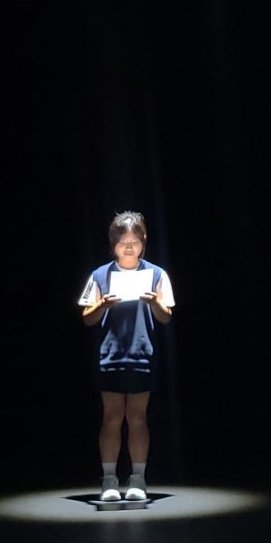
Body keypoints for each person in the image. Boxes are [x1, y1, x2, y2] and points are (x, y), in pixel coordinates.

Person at [79, 211, 174, 503]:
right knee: (111, 417)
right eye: (123, 242)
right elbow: (87, 317)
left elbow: (166, 316)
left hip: (141, 354)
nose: (129, 247)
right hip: (110, 355)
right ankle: (109, 479)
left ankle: (137, 479)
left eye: (134, 241)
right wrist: (102, 305)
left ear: (144, 241)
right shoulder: (100, 275)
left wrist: (155, 302)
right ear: (114, 244)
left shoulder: (156, 274)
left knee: (137, 417)